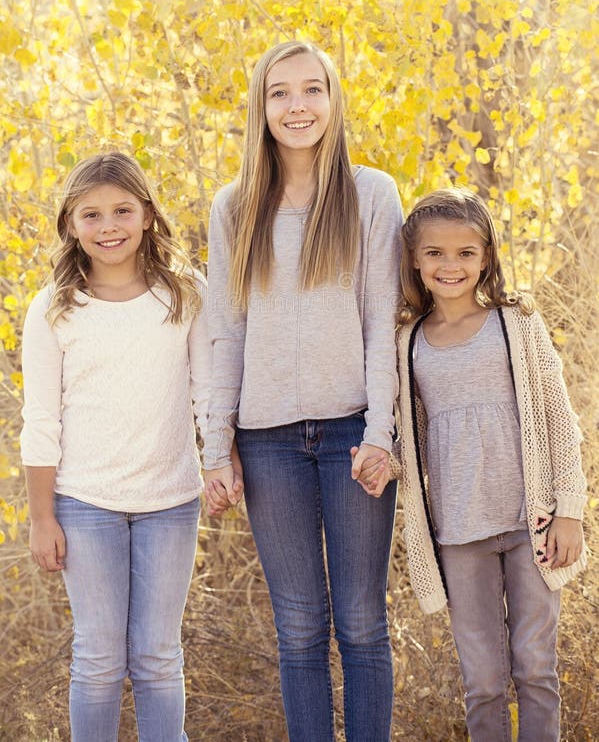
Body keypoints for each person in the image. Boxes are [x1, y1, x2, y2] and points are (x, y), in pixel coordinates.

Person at [203, 40, 402, 741]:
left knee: (361, 621)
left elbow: (382, 323)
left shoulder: (371, 195)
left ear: (333, 98)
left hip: (353, 433)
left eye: (311, 89)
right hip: (265, 445)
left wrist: (382, 433)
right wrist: (214, 447)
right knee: (297, 628)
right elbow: (223, 333)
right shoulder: (233, 208)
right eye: (279, 92)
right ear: (259, 107)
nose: (296, 106)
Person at [20, 151, 210, 742]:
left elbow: (209, 395)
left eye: (123, 211)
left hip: (171, 500)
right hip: (85, 502)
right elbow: (41, 420)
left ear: (148, 215)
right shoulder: (54, 306)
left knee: (157, 656)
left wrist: (223, 464)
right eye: (92, 214)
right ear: (71, 224)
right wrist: (41, 516)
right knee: (100, 659)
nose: (109, 227)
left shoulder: (184, 294)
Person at [392, 187, 587, 742]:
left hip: (534, 523)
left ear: (486, 257)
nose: (450, 265)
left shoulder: (517, 324)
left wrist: (570, 509)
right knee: (481, 681)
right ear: (414, 259)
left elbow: (557, 414)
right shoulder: (408, 342)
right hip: (459, 530)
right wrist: (381, 461)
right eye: (435, 253)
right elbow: (411, 439)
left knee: (536, 669)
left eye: (465, 253)